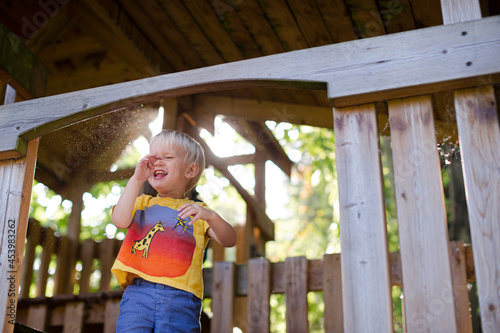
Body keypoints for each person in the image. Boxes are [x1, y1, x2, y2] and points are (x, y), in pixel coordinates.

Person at [111, 129, 237, 332]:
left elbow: (229, 239)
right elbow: (119, 220)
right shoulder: (142, 203)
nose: (158, 162)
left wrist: (211, 216)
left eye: (167, 157)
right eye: (154, 158)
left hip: (181, 296)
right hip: (138, 293)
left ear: (190, 170)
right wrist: (136, 179)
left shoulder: (198, 212)